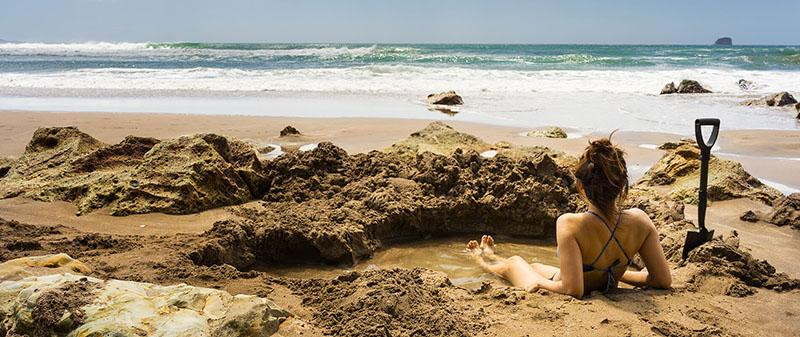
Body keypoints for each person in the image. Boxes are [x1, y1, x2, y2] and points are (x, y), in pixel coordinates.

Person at [466, 135, 671, 298]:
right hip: (596, 281)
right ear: (622, 185)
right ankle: (493, 257)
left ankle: (484, 260)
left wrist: (539, 283)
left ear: (581, 186)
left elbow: (573, 289)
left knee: (515, 262)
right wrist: (615, 272)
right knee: (535, 266)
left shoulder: (570, 223)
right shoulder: (640, 220)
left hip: (569, 283)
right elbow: (662, 280)